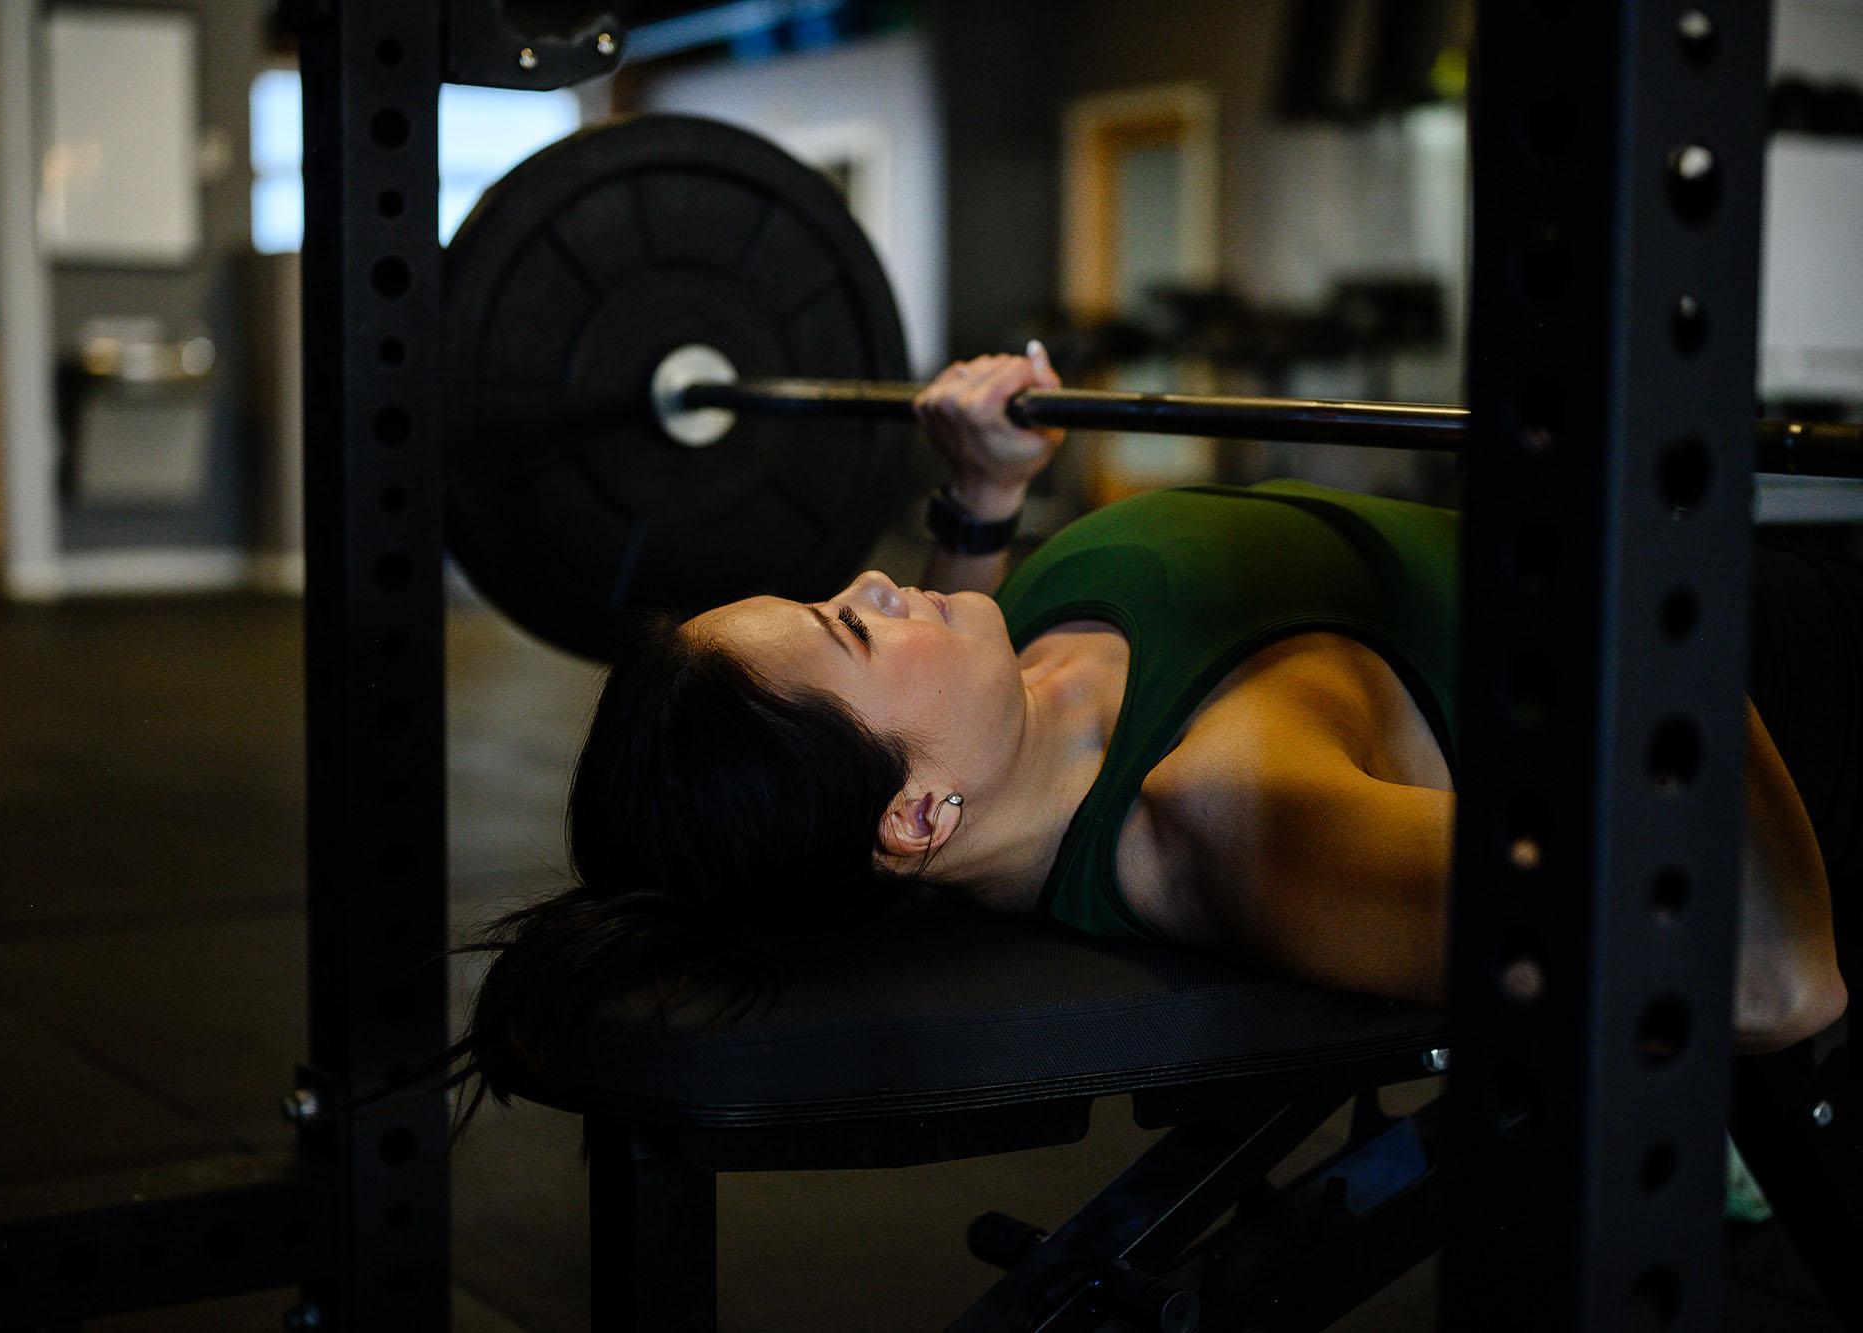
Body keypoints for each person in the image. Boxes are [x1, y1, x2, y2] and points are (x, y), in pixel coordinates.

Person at [459, 343, 1850, 1106]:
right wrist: (1650, 566)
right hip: (1795, 677)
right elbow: (1769, 986)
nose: (877, 579)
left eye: (835, 590)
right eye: (850, 624)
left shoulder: (1008, 690)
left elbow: (927, 735)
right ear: (916, 820)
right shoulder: (1232, 810)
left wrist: (984, 501)